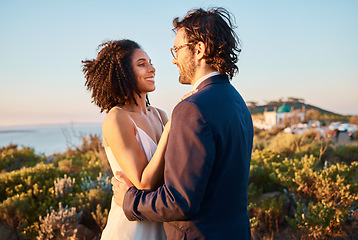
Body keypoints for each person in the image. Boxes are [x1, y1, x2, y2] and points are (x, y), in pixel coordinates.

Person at [112, 7, 254, 239]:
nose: (173, 58)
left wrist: (129, 200)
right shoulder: (236, 101)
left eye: (177, 49)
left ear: (199, 50)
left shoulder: (192, 108)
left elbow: (180, 201)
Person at [82, 39, 168, 240]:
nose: (152, 69)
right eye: (142, 64)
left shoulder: (160, 115)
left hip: (163, 223)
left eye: (150, 62)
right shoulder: (117, 118)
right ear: (123, 73)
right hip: (132, 229)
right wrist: (172, 129)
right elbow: (142, 183)